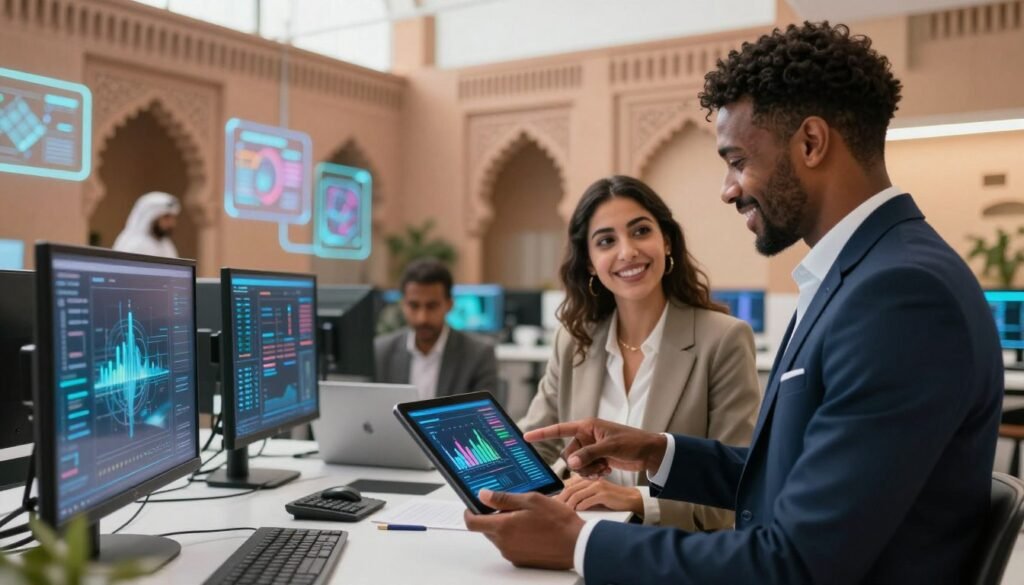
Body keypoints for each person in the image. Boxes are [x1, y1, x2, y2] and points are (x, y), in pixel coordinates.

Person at [464, 21, 1003, 585]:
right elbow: (795, 478)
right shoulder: (866, 272)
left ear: (812, 143)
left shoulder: (899, 297)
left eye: (737, 159)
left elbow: (796, 564)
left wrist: (581, 544)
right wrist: (659, 452)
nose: (728, 188)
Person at [517, 175, 760, 530]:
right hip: (578, 543)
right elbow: (535, 449)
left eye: (641, 231)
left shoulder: (724, 340)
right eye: (606, 241)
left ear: (667, 242)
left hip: (672, 558)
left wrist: (638, 502)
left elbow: (741, 486)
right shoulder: (573, 341)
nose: (627, 251)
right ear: (589, 262)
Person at [375, 258, 498, 399]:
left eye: (432, 306)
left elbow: (485, 417)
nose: (422, 318)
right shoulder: (381, 351)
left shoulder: (478, 354)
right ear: (403, 305)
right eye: (414, 306)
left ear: (449, 305)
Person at [111, 191, 181, 258]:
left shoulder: (167, 246)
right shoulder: (134, 245)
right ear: (151, 216)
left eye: (173, 218)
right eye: (166, 217)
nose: (172, 223)